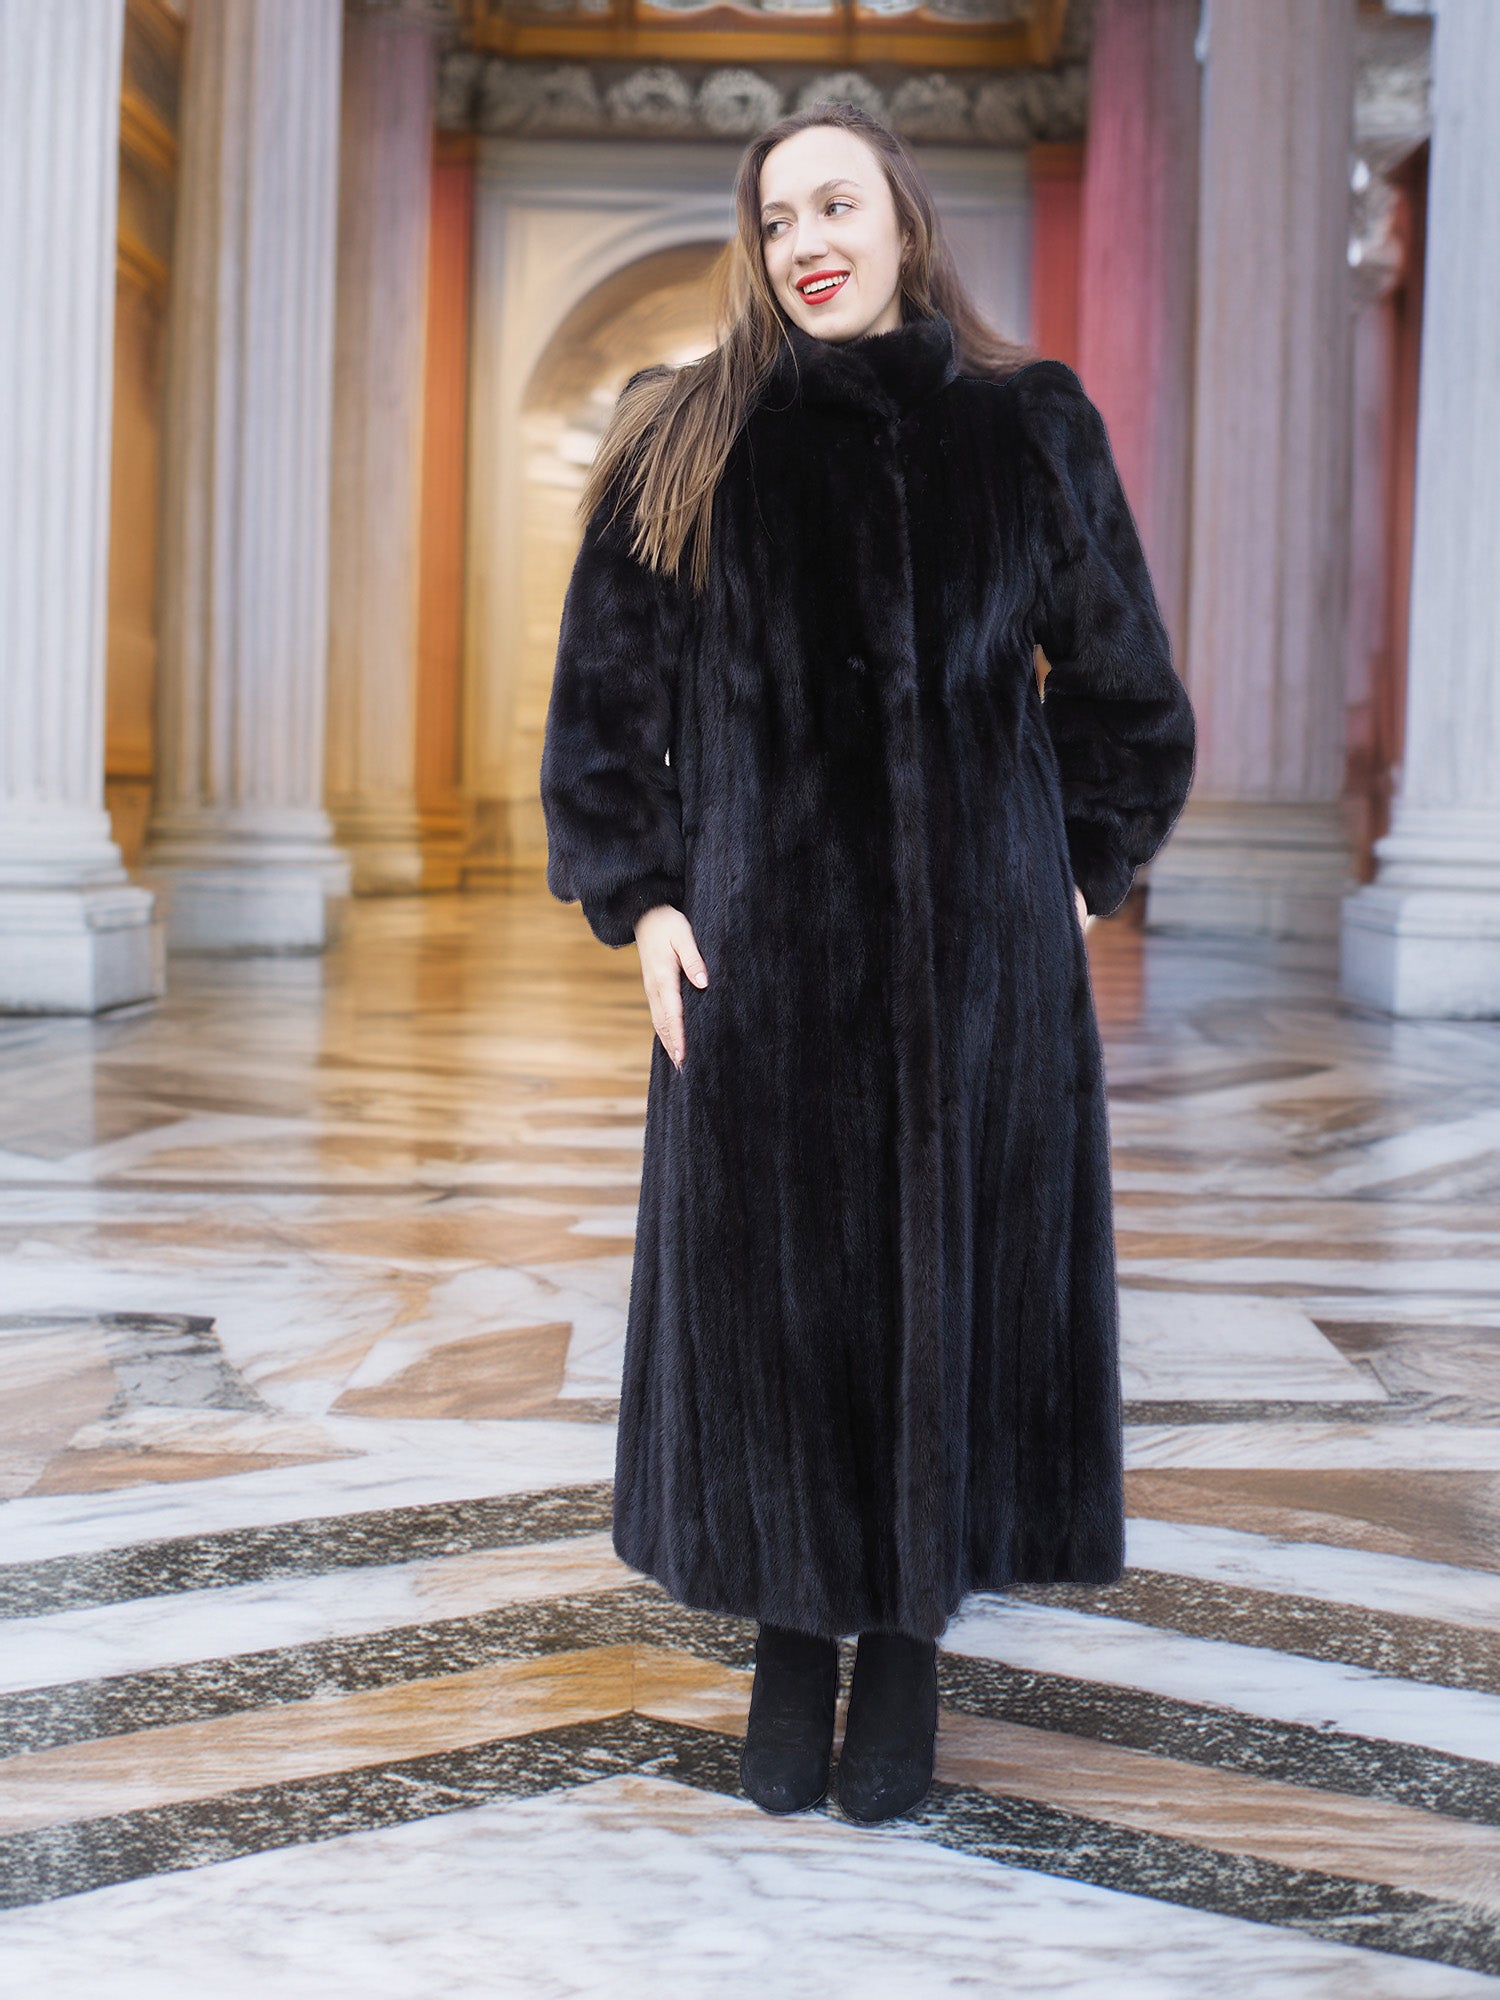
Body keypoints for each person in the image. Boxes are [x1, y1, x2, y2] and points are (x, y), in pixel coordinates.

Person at [539, 102, 1196, 1825]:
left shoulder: (1025, 430)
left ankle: (905, 1639)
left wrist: (1069, 874)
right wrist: (645, 900)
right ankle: (789, 1632)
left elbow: (1129, 697)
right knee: (777, 1298)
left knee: (953, 1290)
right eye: (775, 219)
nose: (806, 240)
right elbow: (605, 711)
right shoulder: (680, 439)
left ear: (904, 217)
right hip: (760, 968)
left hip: (977, 983)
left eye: (837, 203)